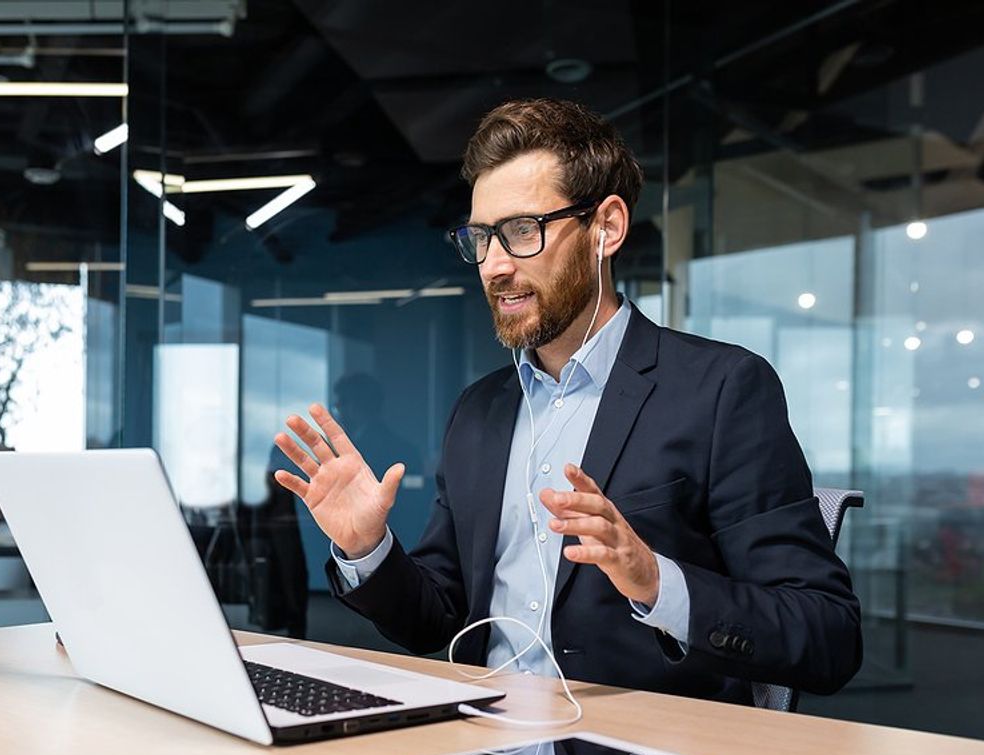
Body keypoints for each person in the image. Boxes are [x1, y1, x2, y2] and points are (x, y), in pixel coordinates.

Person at [272, 98, 861, 703]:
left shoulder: (723, 390)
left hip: (638, 754)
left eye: (522, 231)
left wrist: (658, 583)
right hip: (482, 739)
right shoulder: (479, 411)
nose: (494, 266)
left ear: (605, 228)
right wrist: (368, 549)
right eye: (481, 238)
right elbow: (437, 619)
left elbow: (827, 635)